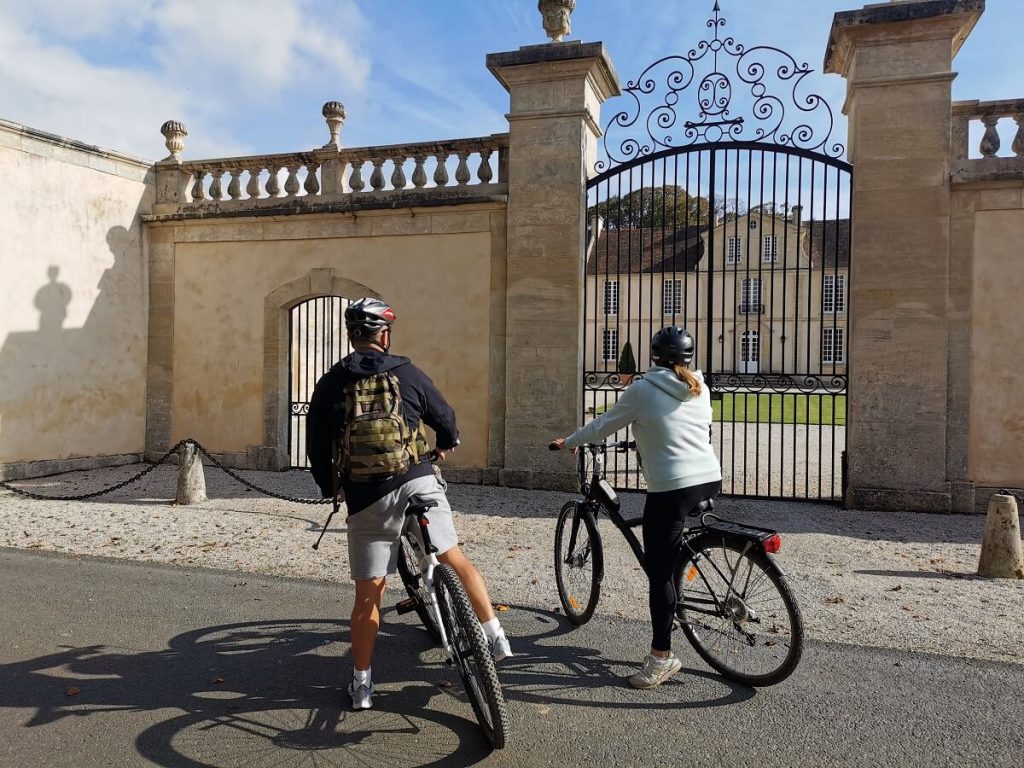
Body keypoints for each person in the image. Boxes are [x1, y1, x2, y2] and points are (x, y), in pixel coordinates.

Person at [307, 297, 512, 711]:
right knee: (453, 556)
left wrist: (332, 488)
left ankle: (362, 685)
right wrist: (447, 443)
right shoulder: (408, 372)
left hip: (367, 496)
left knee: (370, 593)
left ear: (352, 336)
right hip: (417, 481)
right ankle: (494, 633)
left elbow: (316, 447)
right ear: (384, 335)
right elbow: (446, 417)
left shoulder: (330, 383)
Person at [550, 326, 722, 689]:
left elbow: (603, 425)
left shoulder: (643, 389)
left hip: (672, 488)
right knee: (668, 550)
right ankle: (677, 596)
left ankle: (662, 657)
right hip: (708, 478)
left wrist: (569, 441)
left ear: (655, 356)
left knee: (658, 576)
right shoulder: (700, 386)